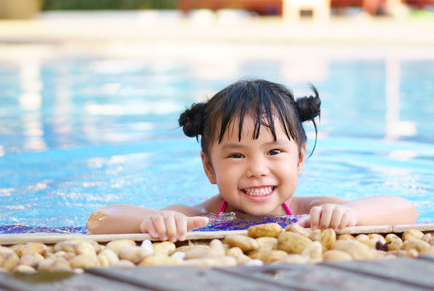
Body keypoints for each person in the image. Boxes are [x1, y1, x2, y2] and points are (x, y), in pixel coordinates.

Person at [87, 79, 417, 241]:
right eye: (235, 155)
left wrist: (351, 213)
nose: (257, 170)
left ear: (299, 159)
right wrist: (152, 221)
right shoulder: (201, 216)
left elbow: (406, 208)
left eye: (274, 152)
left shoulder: (309, 209)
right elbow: (100, 219)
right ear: (208, 167)